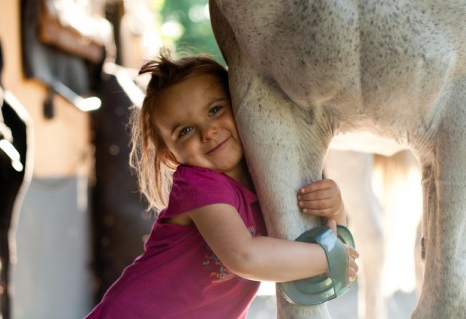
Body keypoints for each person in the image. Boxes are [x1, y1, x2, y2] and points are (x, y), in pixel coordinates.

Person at [85, 49, 359, 319]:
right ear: (170, 156)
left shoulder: (267, 177)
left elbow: (323, 236)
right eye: (185, 130)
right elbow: (244, 256)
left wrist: (334, 207)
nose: (208, 131)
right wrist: (328, 259)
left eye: (215, 110)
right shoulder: (197, 184)